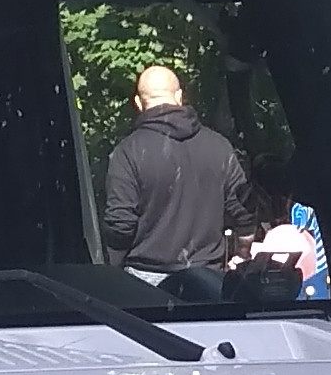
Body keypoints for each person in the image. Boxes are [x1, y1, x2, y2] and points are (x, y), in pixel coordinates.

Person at [101, 64, 251, 274]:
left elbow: (120, 225)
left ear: (138, 103)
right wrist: (243, 252)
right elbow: (244, 209)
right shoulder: (219, 145)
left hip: (146, 277)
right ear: (179, 97)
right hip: (209, 277)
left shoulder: (127, 152)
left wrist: (114, 269)